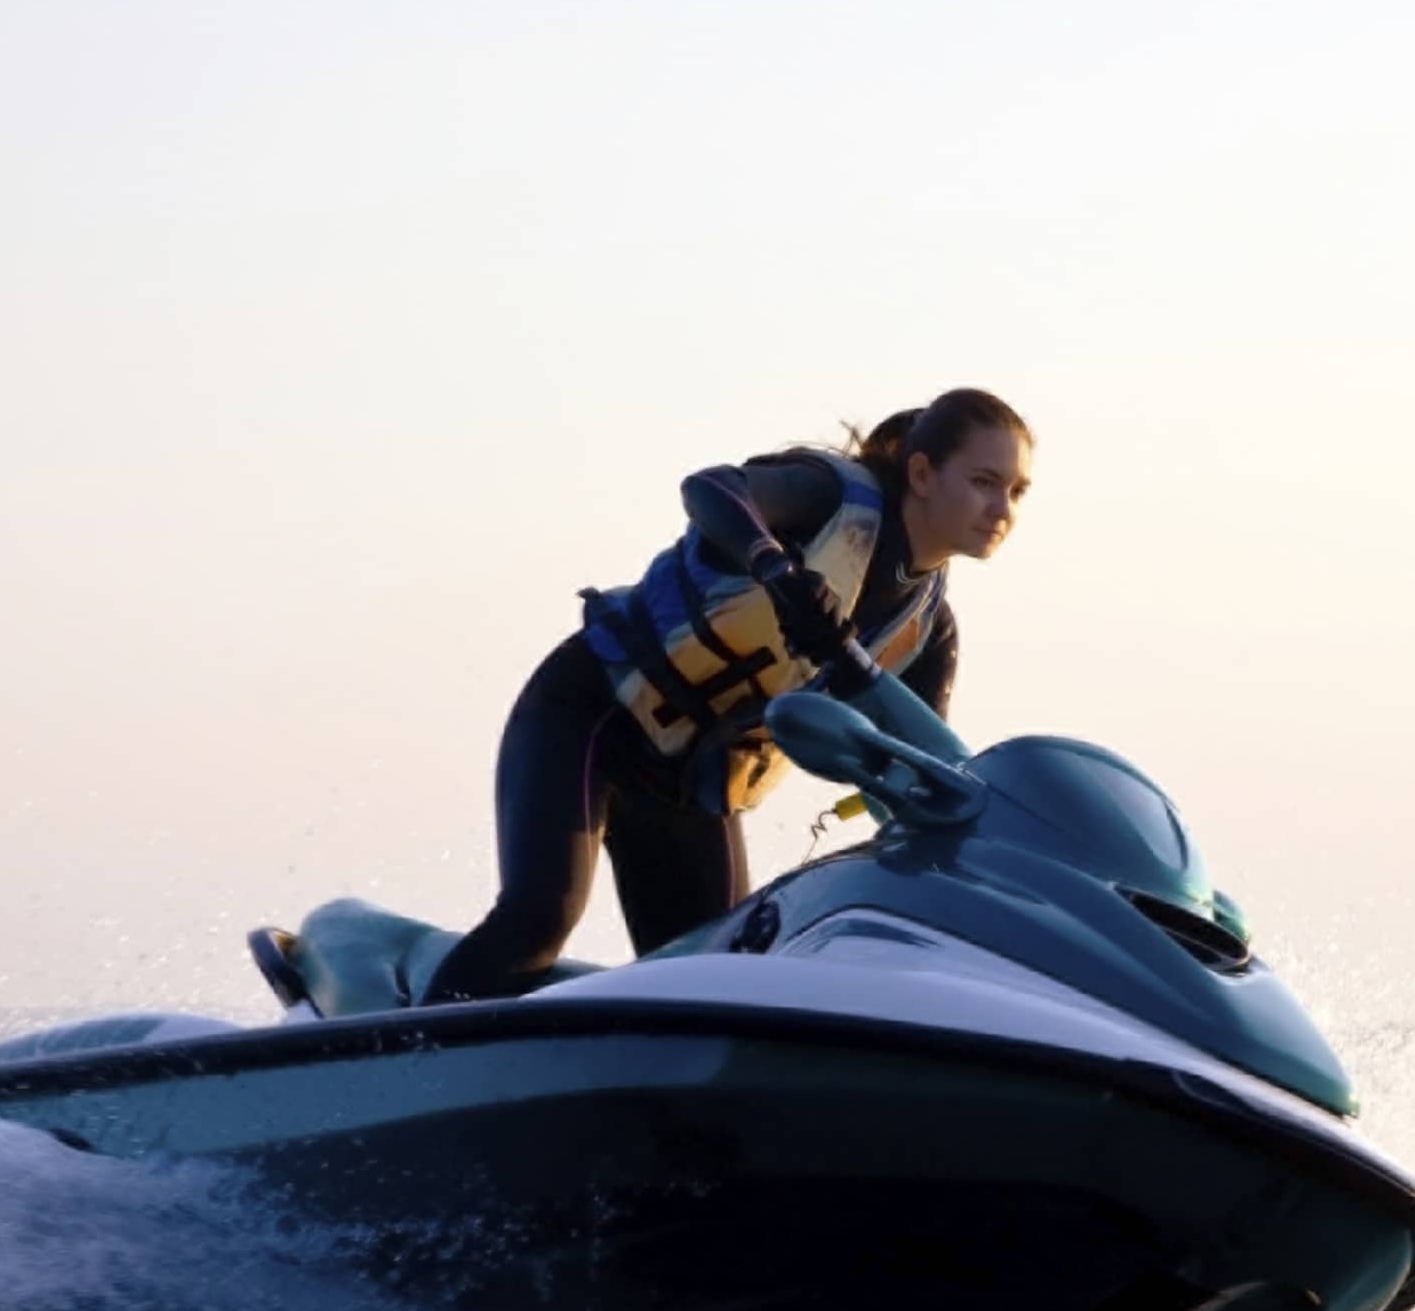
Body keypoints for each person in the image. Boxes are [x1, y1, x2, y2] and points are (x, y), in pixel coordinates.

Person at [421, 386, 1034, 1004]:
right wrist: (776, 570)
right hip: (593, 714)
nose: (1002, 508)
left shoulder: (926, 631)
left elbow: (920, 775)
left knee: (716, 985)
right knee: (538, 919)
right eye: (985, 481)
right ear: (922, 474)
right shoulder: (830, 499)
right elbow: (709, 488)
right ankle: (399, 1060)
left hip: (690, 785)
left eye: (1016, 491)